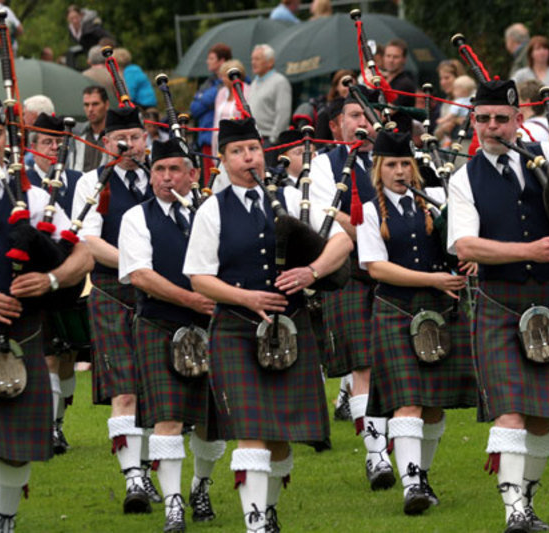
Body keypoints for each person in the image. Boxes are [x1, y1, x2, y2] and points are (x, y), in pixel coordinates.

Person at [447, 78, 549, 532]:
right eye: (482, 119)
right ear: (473, 121)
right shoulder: (464, 177)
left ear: (519, 119)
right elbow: (465, 246)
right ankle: (514, 511)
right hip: (500, 302)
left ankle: (528, 501)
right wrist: (530, 251)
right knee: (510, 409)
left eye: (501, 119)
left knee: (541, 416)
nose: (491, 128)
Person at [183, 117, 350, 532]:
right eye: (237, 152)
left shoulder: (290, 200)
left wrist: (312, 271)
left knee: (279, 436)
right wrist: (246, 298)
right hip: (236, 330)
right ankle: (256, 523)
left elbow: (344, 239)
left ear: (264, 153)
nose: (248, 159)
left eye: (253, 150)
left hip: (290, 330)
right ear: (221, 161)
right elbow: (199, 277)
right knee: (250, 430)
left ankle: (268, 510)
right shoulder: (211, 210)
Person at [0, 97, 92, 531]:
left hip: (23, 332)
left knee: (15, 445)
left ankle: (2, 521)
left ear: (7, 139)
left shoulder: (36, 196)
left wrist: (50, 280)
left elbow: (81, 255)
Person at [356, 129, 477, 515]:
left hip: (442, 310)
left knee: (435, 405)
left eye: (405, 163)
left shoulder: (436, 200)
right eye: (391, 164)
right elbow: (376, 268)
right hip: (397, 309)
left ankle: (422, 476)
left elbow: (464, 238)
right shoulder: (370, 211)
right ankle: (411, 485)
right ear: (378, 168)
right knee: (407, 402)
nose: (400, 171)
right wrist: (433, 280)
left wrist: (469, 256)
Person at [118, 139, 227, 531]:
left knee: (212, 423)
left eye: (174, 170)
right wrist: (193, 300)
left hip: (214, 327)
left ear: (192, 174)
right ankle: (174, 505)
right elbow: (140, 275)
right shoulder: (136, 217)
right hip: (159, 324)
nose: (166, 178)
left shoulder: (212, 212)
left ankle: (200, 485)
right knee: (167, 418)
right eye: (159, 171)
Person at [71, 106, 162, 513]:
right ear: (106, 144)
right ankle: (134, 479)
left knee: (154, 386)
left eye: (137, 138)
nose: (130, 146)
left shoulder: (162, 175)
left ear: (146, 138)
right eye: (120, 140)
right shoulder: (92, 182)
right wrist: (134, 264)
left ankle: (148, 467)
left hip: (161, 292)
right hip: (113, 289)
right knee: (124, 387)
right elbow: (88, 241)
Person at [309, 91, 391, 491]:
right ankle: (377, 457)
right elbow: (329, 214)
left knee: (396, 365)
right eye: (356, 114)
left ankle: (401, 453)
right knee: (364, 365)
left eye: (370, 115)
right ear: (337, 124)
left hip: (394, 276)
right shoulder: (325, 164)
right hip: (350, 275)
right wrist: (376, 237)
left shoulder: (390, 159)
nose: (365, 122)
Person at [25, 113, 85, 457]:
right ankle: (48, 428)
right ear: (34, 148)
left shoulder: (77, 181)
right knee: (48, 353)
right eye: (47, 142)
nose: (53, 148)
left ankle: (58, 422)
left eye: (58, 143)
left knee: (67, 354)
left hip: (73, 276)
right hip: (38, 279)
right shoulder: (26, 184)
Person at [190, 43, 233, 182]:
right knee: (210, 181)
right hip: (206, 138)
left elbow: (205, 100)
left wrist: (205, 98)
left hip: (221, 138)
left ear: (222, 61)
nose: (208, 61)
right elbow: (194, 108)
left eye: (211, 58)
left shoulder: (234, 81)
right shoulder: (208, 82)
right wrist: (206, 100)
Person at [250, 44, 293, 146]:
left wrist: (274, 139)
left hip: (268, 140)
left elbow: (283, 114)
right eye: (252, 59)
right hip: (254, 139)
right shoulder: (254, 82)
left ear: (270, 62)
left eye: (257, 59)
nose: (253, 62)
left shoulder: (280, 82)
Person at [212, 59, 250, 157]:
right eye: (222, 76)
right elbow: (216, 120)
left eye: (226, 76)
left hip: (239, 143)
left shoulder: (248, 92)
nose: (223, 79)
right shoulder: (221, 93)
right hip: (221, 143)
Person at [69, 86, 110, 172]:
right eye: (86, 105)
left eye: (95, 104)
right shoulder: (76, 134)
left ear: (106, 105)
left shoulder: (114, 135)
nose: (90, 109)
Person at [433, 59, 466, 142]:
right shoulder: (446, 103)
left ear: (458, 77)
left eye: (447, 78)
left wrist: (454, 121)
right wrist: (443, 129)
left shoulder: (470, 99)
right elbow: (436, 134)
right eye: (441, 79)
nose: (443, 82)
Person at [384, 39, 417, 109]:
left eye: (395, 57)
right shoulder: (384, 80)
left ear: (404, 59)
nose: (391, 60)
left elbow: (387, 112)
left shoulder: (404, 84)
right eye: (388, 56)